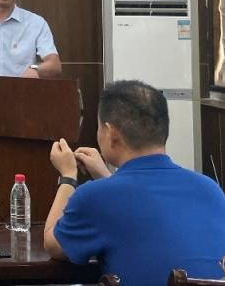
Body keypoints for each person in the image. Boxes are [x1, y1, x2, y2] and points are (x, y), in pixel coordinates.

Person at [45, 79, 225, 285]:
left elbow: (53, 244)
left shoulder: (95, 197)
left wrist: (68, 175)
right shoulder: (211, 189)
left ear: (110, 134)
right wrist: (106, 176)